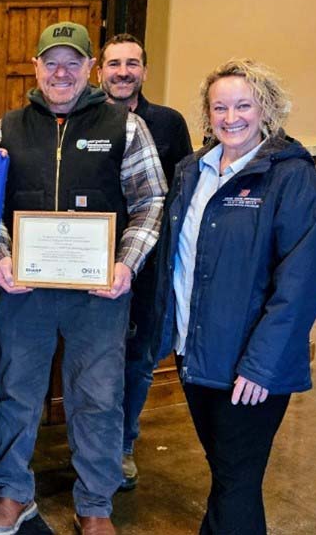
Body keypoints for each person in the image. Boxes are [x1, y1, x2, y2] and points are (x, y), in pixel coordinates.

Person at [0, 22, 166, 535]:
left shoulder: (125, 126)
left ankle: (95, 501)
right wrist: (1, 258)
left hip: (98, 292)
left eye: (72, 62)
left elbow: (151, 200)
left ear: (90, 68)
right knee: (18, 390)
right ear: (36, 67)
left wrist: (126, 263)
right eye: (50, 62)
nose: (60, 72)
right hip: (25, 290)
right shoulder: (6, 128)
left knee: (98, 395)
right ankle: (14, 491)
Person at [152, 59, 316, 535]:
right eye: (220, 107)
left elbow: (300, 285)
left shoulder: (292, 179)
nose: (231, 117)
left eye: (244, 105)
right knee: (229, 477)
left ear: (266, 109)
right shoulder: (192, 171)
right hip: (195, 354)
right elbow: (179, 262)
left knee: (236, 481)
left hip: (250, 369)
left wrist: (261, 366)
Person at [95, 33, 193, 491]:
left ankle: (124, 445)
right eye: (114, 63)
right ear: (100, 71)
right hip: (86, 266)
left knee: (138, 360)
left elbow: (180, 196)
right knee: (92, 359)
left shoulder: (169, 124)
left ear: (144, 71)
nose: (122, 71)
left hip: (147, 267)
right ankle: (91, 442)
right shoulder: (84, 120)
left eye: (132, 63)